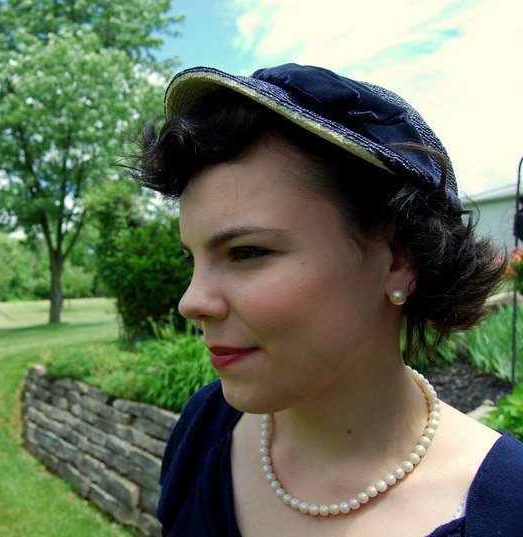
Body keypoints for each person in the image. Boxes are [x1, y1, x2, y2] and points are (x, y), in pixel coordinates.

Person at [131, 63, 523, 536]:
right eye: (192, 258)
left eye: (246, 252)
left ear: (399, 258)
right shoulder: (205, 427)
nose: (191, 302)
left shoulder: (508, 510)